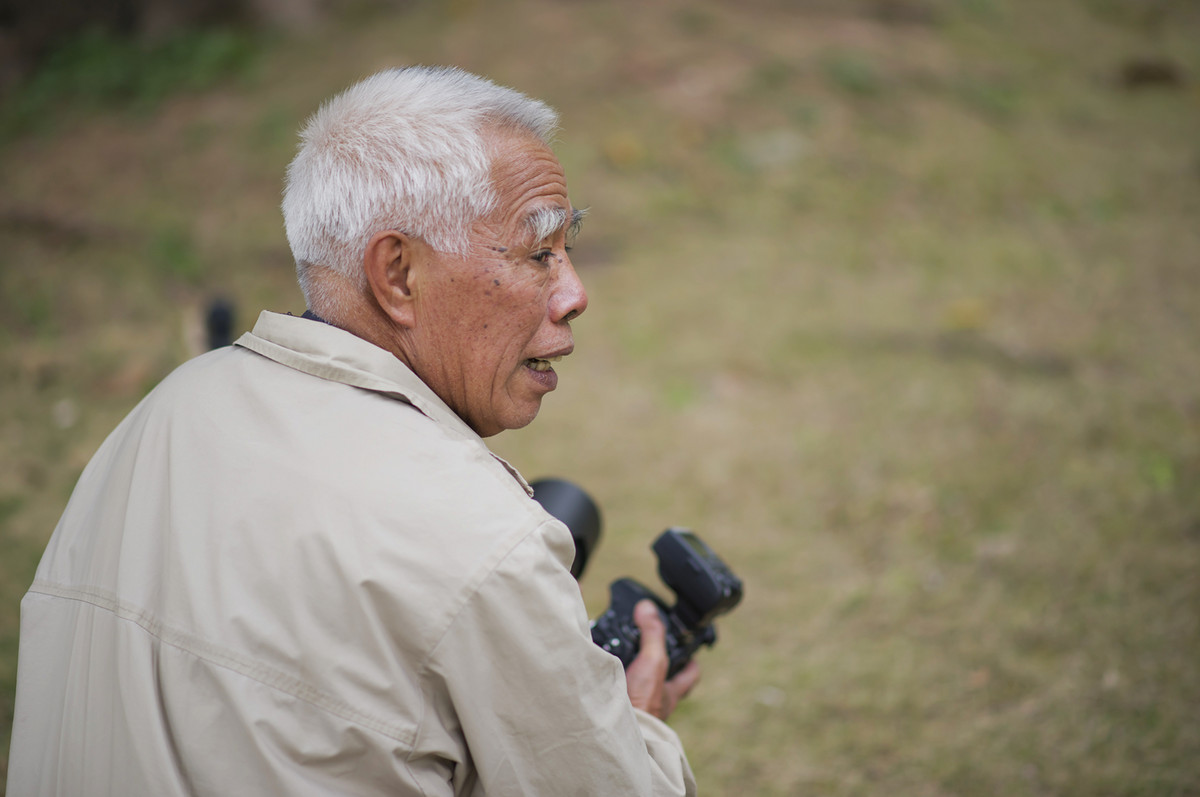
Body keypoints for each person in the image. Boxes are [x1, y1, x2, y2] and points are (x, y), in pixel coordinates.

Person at [6, 66, 700, 796]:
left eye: (568, 249)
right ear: (397, 274)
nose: (574, 293)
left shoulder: (159, 414)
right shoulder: (483, 538)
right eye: (538, 253)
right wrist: (635, 724)